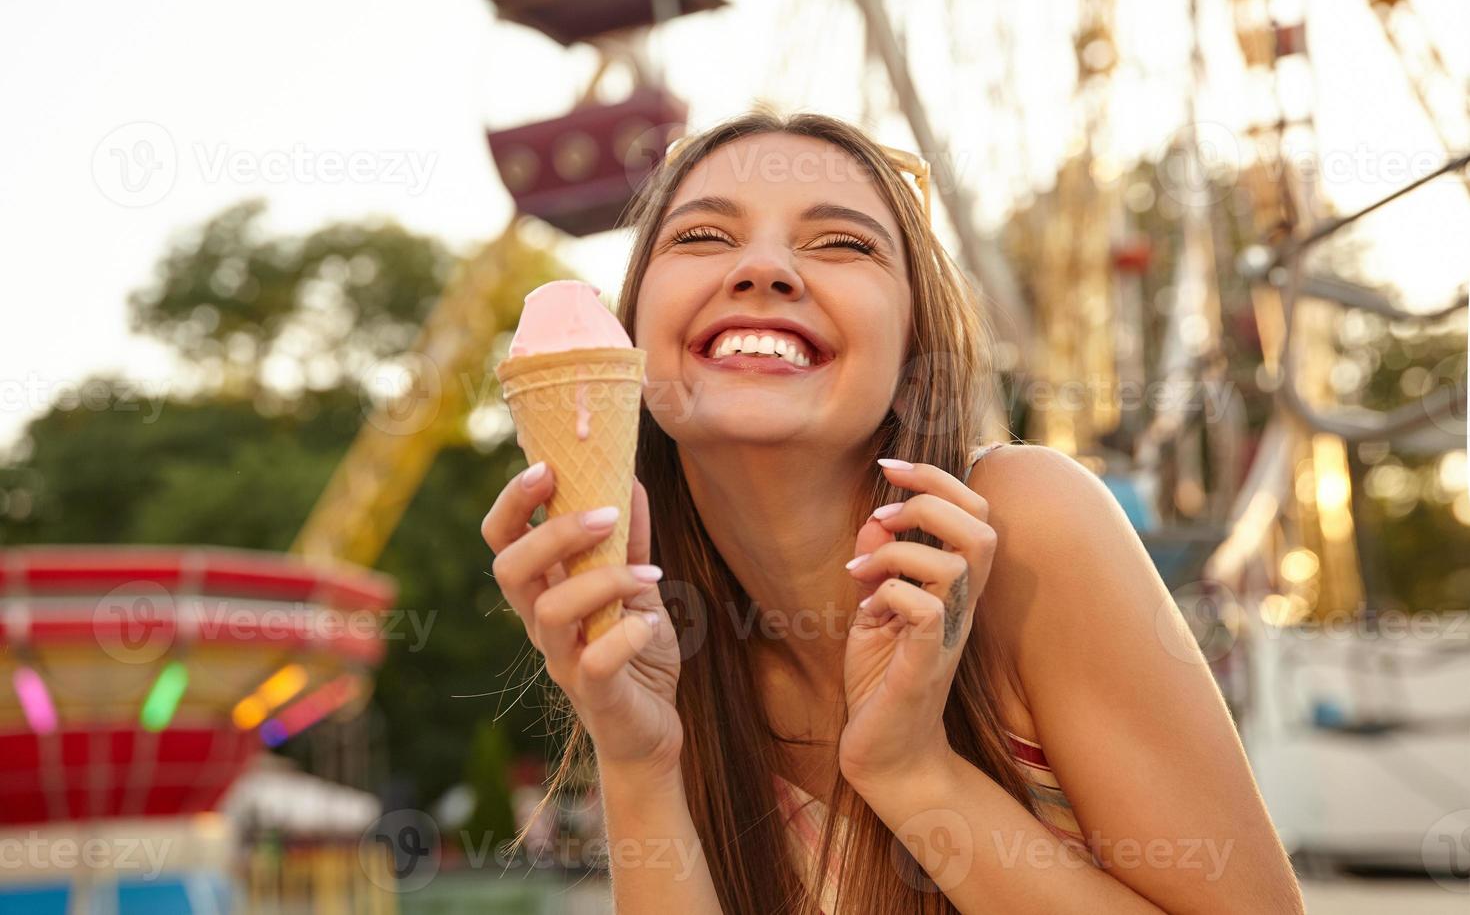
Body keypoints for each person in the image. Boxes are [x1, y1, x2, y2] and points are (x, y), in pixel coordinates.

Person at [481, 110, 1304, 914]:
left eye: (842, 244)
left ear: (913, 349)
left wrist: (913, 771)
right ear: (630, 337)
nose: (764, 269)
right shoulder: (666, 647)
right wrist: (638, 761)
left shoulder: (1026, 527)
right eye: (702, 237)